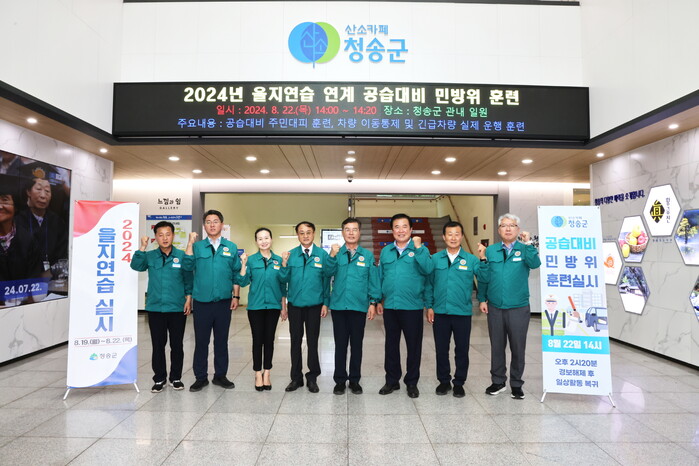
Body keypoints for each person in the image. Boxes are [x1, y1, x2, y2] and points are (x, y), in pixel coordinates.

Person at [478, 213, 541, 400]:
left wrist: (529, 244)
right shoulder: (491, 251)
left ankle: (516, 384)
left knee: (518, 347)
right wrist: (482, 299)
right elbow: (484, 277)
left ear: (518, 229)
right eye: (504, 225)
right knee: (497, 346)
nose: (507, 228)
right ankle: (498, 381)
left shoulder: (525, 249)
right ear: (498, 230)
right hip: (495, 307)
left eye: (512, 225)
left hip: (518, 307)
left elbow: (535, 264)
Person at [183, 209, 244, 392]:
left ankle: (220, 376)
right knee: (201, 342)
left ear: (222, 225)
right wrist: (190, 243)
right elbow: (187, 266)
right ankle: (200, 377)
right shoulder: (197, 247)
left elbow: (236, 273)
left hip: (223, 302)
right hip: (202, 302)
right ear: (204, 226)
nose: (212, 224)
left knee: (221, 341)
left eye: (215, 221)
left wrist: (236, 296)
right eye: (208, 222)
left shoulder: (231, 247)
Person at [426, 221, 488, 398]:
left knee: (461, 349)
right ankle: (444, 381)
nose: (453, 238)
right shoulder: (435, 259)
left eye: (457, 234)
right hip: (440, 312)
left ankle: (459, 382)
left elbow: (484, 278)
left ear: (461, 236)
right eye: (450, 234)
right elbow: (429, 284)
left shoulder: (471, 259)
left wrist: (483, 258)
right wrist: (429, 306)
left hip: (462, 312)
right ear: (444, 237)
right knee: (441, 349)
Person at [130, 221, 193, 393]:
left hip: (177, 308)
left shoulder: (181, 256)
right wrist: (142, 247)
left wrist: (188, 299)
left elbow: (188, 279)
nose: (164, 238)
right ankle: (159, 379)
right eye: (160, 235)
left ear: (173, 236)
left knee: (177, 345)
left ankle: (176, 378)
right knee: (158, 345)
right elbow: (136, 266)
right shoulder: (150, 256)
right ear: (155, 237)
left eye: (168, 234)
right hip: (155, 308)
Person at [377, 213, 434, 398]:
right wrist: (378, 300)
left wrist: (418, 248)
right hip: (390, 306)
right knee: (391, 345)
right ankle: (391, 380)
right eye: (396, 227)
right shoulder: (386, 251)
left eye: (404, 227)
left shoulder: (420, 250)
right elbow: (380, 276)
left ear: (411, 230)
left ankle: (412, 382)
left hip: (412, 307)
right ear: (392, 230)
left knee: (413, 347)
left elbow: (428, 270)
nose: (400, 230)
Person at [280, 221, 336, 393]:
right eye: (302, 232)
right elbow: (283, 280)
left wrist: (325, 303)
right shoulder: (291, 255)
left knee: (312, 342)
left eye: (308, 232)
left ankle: (312, 378)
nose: (305, 236)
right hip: (295, 306)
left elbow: (326, 280)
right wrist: (283, 264)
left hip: (314, 306)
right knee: (295, 342)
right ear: (297, 235)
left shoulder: (322, 255)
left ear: (313, 234)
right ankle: (296, 378)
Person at [327, 217, 381, 395]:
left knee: (357, 345)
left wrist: (373, 302)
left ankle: (355, 380)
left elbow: (373, 280)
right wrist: (331, 256)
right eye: (347, 229)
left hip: (358, 306)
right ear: (342, 232)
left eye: (354, 229)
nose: (351, 233)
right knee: (340, 345)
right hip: (339, 306)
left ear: (360, 232)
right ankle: (340, 380)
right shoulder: (335, 253)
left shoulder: (367, 255)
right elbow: (326, 273)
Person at [236, 227, 287, 391]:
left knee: (269, 340)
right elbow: (243, 282)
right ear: (256, 241)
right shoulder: (251, 260)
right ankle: (258, 373)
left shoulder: (278, 260)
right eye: (260, 238)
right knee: (257, 340)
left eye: (266, 238)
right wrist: (243, 264)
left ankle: (267, 373)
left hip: (273, 306)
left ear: (271, 239)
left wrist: (283, 307)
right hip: (256, 307)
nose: (263, 241)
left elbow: (283, 284)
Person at [0, 174, 44, 306]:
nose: (0, 206)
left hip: (22, 308)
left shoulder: (28, 240)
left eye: (5, 200)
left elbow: (34, 281)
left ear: (16, 206)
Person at [15, 166, 68, 270]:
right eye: (38, 189)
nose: (43, 195)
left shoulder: (57, 222)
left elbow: (62, 254)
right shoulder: (18, 220)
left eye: (47, 191)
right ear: (28, 192)